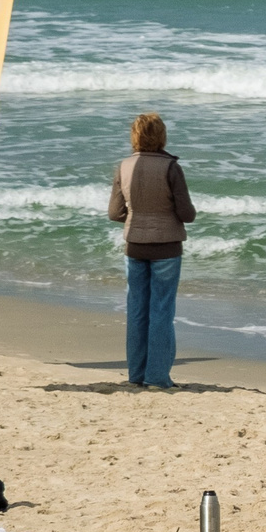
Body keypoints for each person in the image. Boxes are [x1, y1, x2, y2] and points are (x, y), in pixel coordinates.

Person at [105, 112, 196, 389]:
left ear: (134, 136)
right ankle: (157, 376)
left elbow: (114, 212)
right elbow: (186, 213)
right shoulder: (170, 167)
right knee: (161, 311)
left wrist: (139, 217)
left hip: (134, 245)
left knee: (136, 309)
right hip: (166, 246)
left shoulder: (124, 166)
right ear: (162, 136)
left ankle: (136, 374)